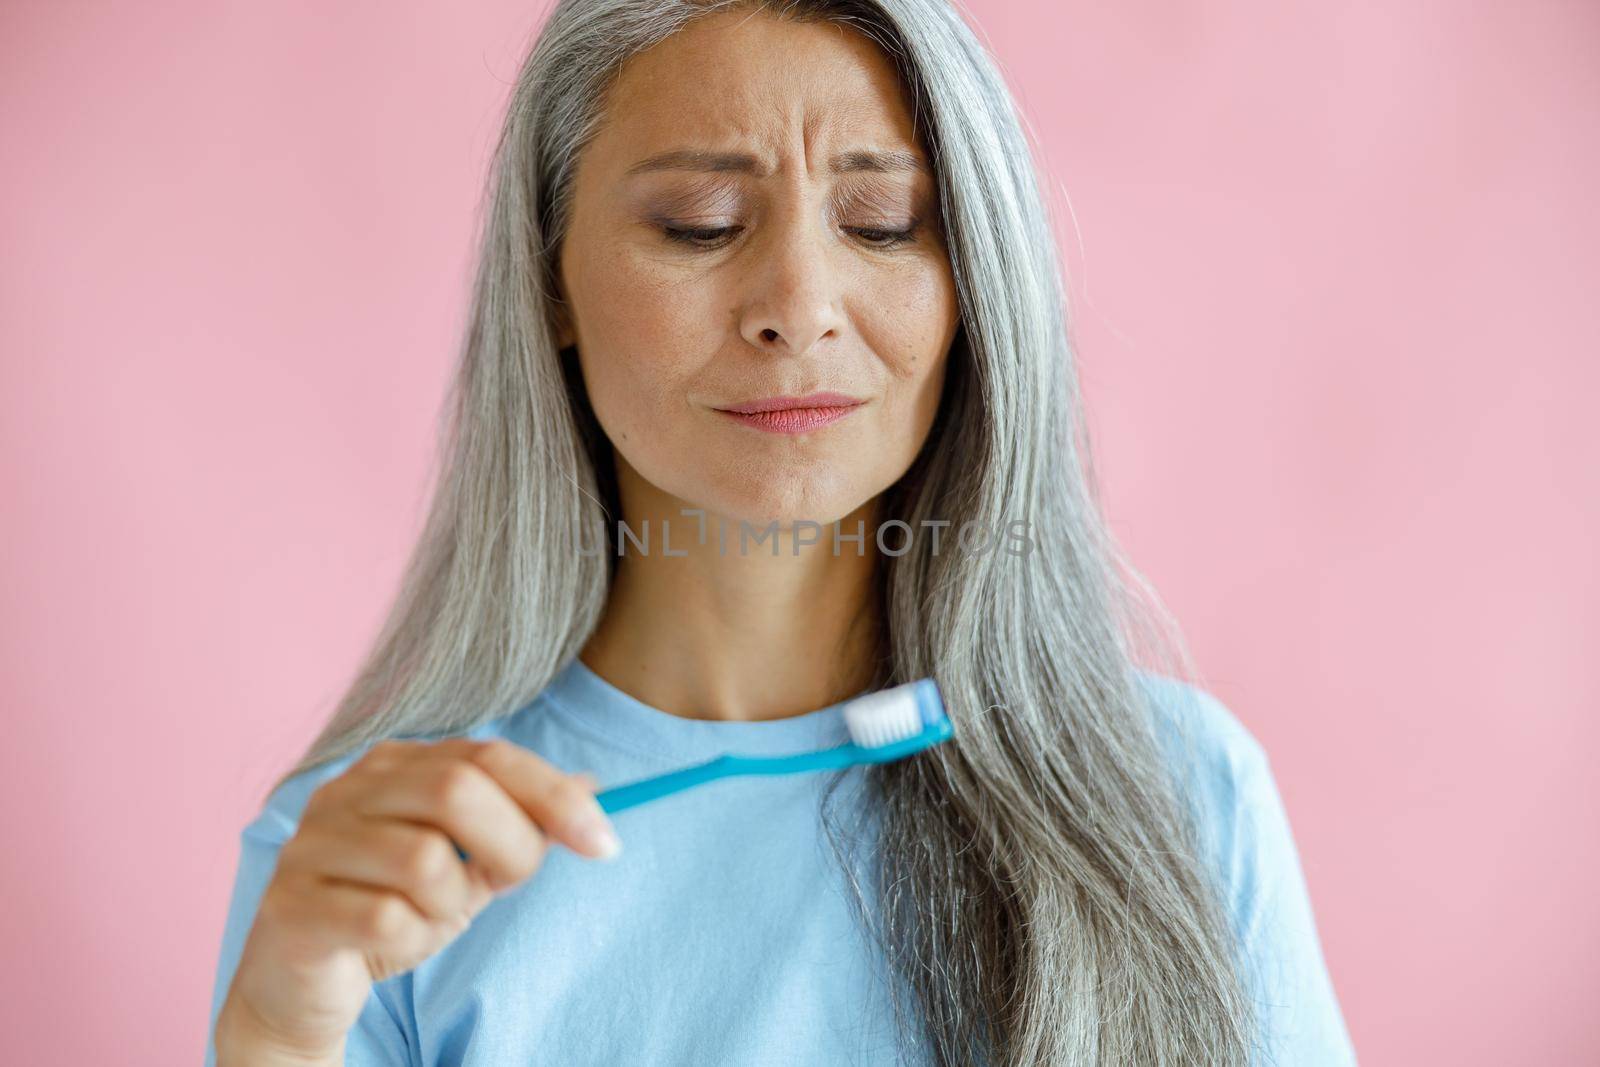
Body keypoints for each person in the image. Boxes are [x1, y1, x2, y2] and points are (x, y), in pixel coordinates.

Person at [206, 1, 1358, 1063]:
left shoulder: (1182, 793)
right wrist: (269, 1030)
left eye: (881, 222)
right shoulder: (371, 866)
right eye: (701, 224)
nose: (798, 305)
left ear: (973, 287)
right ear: (549, 274)